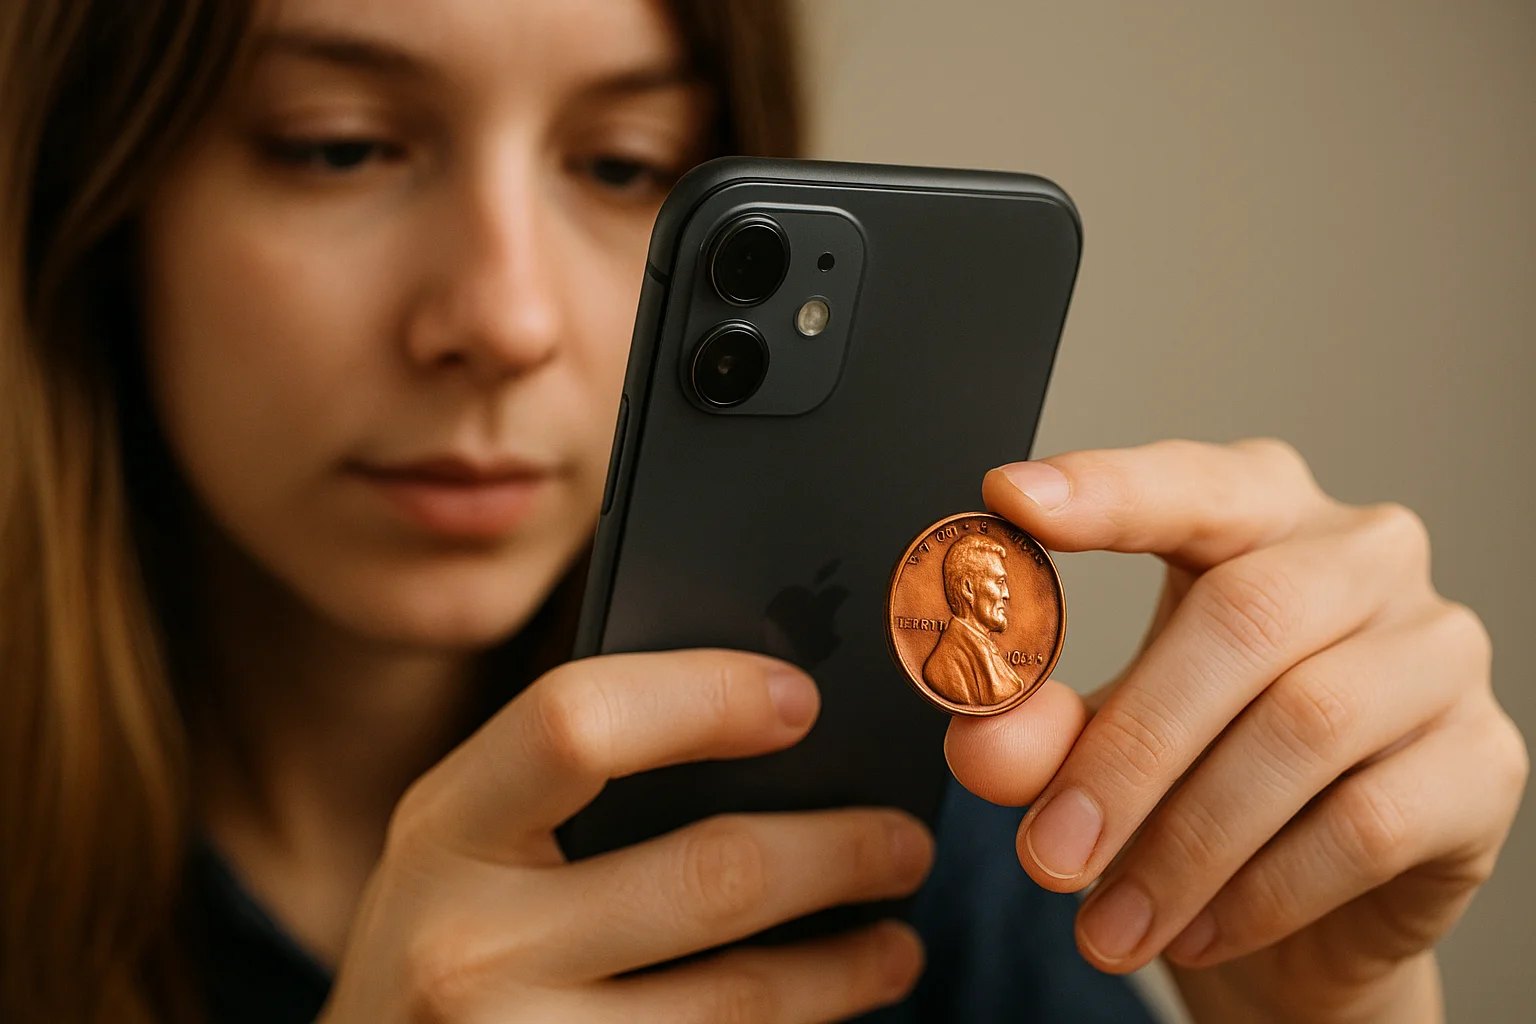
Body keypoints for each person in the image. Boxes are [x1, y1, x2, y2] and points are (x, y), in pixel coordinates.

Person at [0, 0, 1526, 1022]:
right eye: (341, 144)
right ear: (99, 192)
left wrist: (1327, 1008)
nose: (506, 316)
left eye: (624, 165)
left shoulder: (920, 855)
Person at [922, 534, 1024, 707]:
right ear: (968, 588)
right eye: (999, 582)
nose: (1007, 594)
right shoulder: (943, 667)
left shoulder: (986, 648)